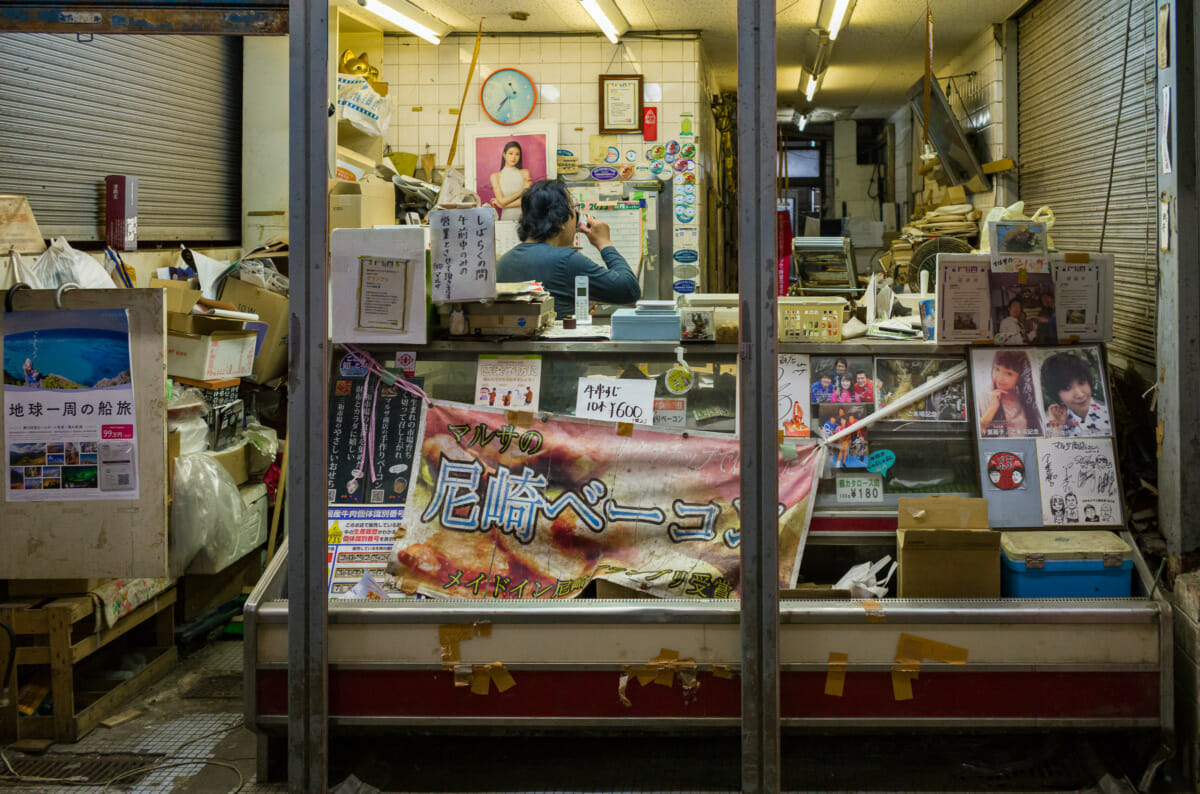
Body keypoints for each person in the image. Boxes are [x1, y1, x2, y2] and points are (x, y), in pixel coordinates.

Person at [497, 180, 641, 318]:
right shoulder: (565, 260)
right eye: (574, 209)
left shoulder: (504, 261)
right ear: (560, 219)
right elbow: (629, 290)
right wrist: (604, 243)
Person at [1040, 351, 1111, 437]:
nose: (1080, 394)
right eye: (1067, 388)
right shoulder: (1052, 426)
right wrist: (1058, 430)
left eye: (1081, 382)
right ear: (1056, 395)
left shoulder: (1108, 414)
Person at [979, 350, 1043, 437]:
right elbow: (978, 433)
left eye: (1009, 373)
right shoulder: (983, 397)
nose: (1000, 378)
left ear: (1020, 377)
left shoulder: (1025, 400)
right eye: (997, 369)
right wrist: (992, 408)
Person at [489, 141, 532, 220]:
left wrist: (503, 205)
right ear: (504, 155)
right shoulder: (495, 176)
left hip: (524, 219)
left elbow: (526, 201)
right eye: (510, 153)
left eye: (517, 154)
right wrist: (522, 189)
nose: (514, 157)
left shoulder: (525, 173)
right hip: (506, 218)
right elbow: (501, 201)